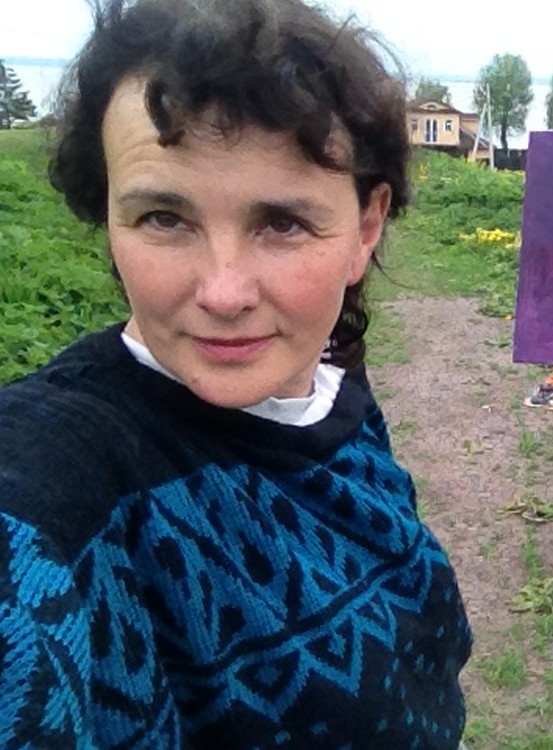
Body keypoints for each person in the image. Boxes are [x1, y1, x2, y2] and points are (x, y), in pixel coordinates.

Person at [0, 0, 472, 747]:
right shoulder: (57, 483)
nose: (223, 294)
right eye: (164, 218)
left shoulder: (332, 382)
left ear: (365, 227)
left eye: (282, 223)